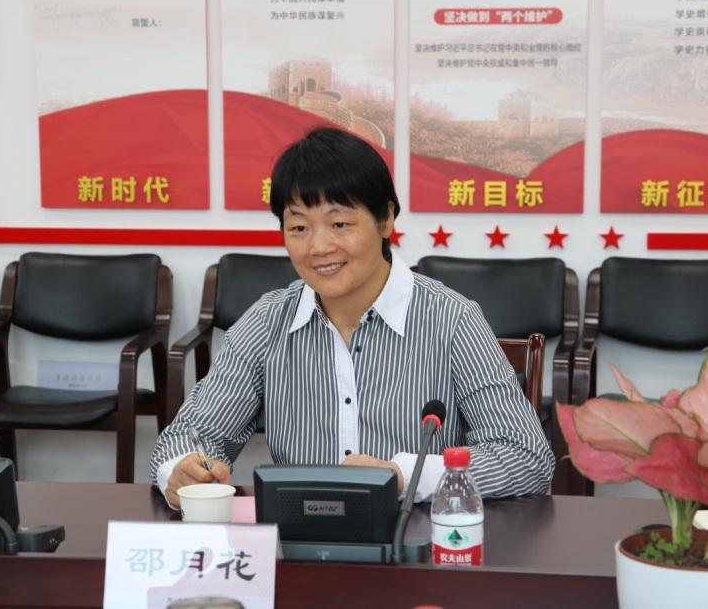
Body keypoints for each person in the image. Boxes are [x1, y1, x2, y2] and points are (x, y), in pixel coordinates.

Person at [150, 125, 555, 509]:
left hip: (416, 542)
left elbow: (526, 457)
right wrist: (184, 471)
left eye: (340, 223)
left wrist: (403, 477)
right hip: (299, 541)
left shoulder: (452, 320)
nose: (319, 247)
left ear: (386, 219)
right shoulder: (267, 323)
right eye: (299, 228)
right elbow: (187, 437)